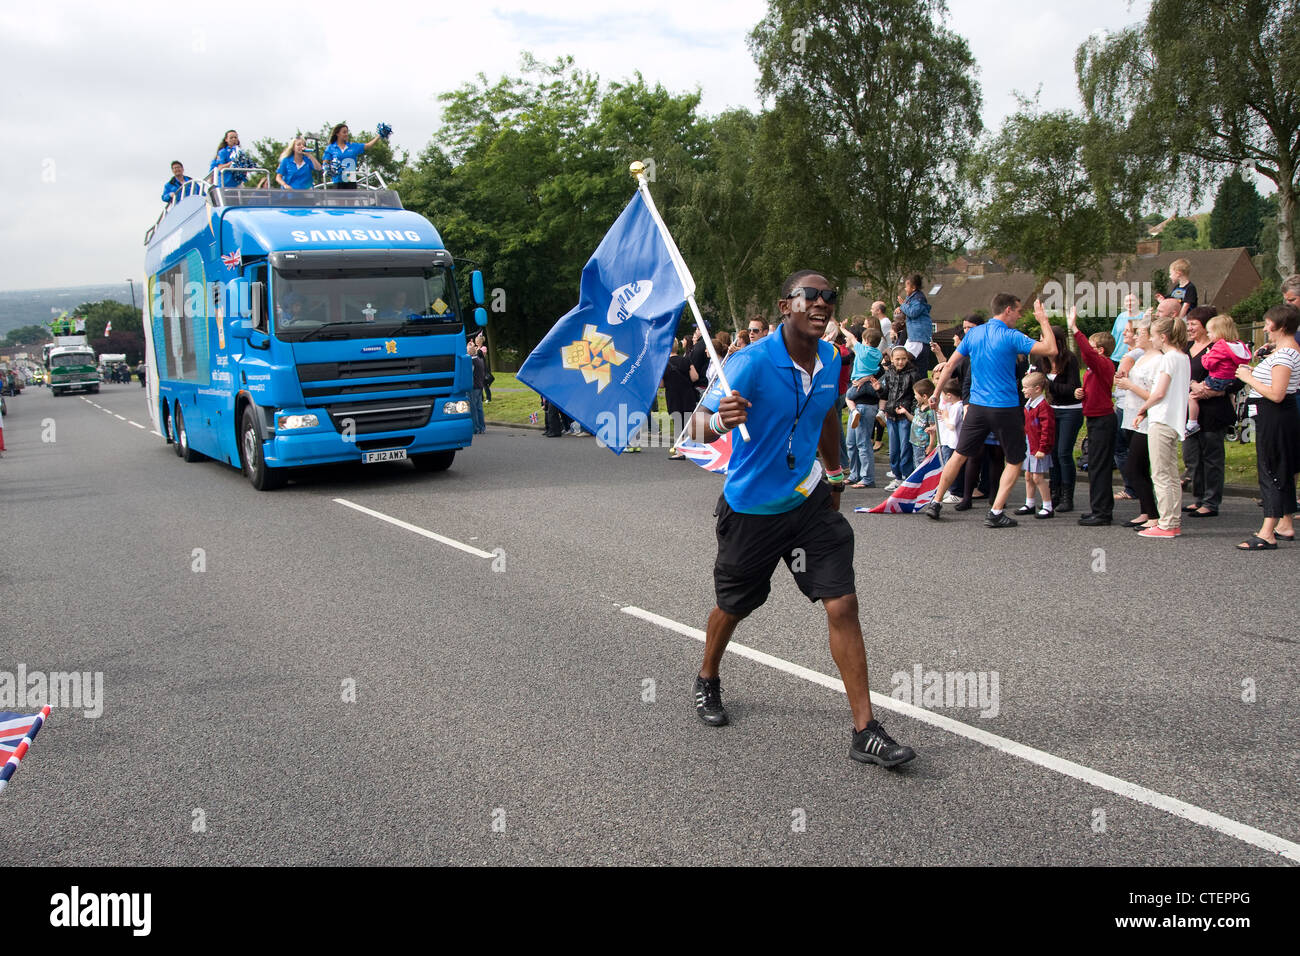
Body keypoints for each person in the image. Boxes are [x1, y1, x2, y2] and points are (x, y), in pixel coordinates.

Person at [692, 269, 915, 769]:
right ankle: (708, 676)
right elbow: (696, 426)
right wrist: (719, 420)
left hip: (808, 500)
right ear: (784, 304)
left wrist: (835, 474)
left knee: (842, 603)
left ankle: (865, 730)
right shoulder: (749, 363)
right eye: (809, 296)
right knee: (736, 604)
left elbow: (828, 416)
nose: (821, 303)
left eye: (829, 297)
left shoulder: (833, 356)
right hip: (751, 510)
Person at [923, 294, 1057, 526]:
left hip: (977, 407)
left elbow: (950, 364)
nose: (1019, 315)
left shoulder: (973, 334)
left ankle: (935, 502)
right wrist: (1043, 320)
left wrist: (935, 393)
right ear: (1007, 310)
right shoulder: (1011, 336)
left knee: (960, 454)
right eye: (1017, 311)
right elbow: (1051, 349)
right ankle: (995, 512)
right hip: (1005, 408)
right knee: (1015, 460)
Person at [1233, 305, 1300, 549]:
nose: (1266, 328)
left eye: (1268, 323)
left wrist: (1249, 378)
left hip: (1274, 414)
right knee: (1281, 468)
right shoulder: (1285, 351)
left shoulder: (1284, 355)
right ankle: (1285, 524)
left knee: (1271, 469)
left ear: (1280, 326)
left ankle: (1267, 533)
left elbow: (1278, 393)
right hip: (1276, 415)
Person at [1132, 314, 1191, 538]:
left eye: (1155, 336)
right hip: (1174, 419)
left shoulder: (1168, 359)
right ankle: (1172, 520)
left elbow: (1159, 392)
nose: (1153, 341)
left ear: (1163, 337)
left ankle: (1166, 524)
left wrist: (1142, 409)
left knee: (1161, 474)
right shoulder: (1183, 357)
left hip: (1162, 418)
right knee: (1171, 474)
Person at [1068, 310, 1118, 526]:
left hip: (1103, 420)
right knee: (1096, 466)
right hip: (1097, 418)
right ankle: (1098, 508)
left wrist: (1075, 329)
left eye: (1091, 345)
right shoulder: (1097, 367)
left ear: (1100, 349)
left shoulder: (1103, 363)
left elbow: (1087, 354)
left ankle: (1102, 512)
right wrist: (1082, 393)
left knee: (1099, 466)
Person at [1115, 315, 1161, 528]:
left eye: (1141, 333)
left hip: (1147, 419)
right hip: (1132, 415)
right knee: (1140, 468)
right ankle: (1146, 512)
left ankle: (1153, 514)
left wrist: (1129, 385)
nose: (1137, 336)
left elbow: (1155, 393)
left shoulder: (1158, 360)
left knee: (1134, 467)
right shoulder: (1141, 357)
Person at [1186, 313, 1251, 435]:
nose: (1209, 335)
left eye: (1210, 332)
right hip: (1228, 380)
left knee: (1192, 397)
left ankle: (1192, 423)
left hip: (1216, 382)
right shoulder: (1237, 346)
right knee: (1231, 397)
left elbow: (1208, 364)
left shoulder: (1219, 347)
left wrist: (1206, 355)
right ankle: (1232, 421)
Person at [1042, 325, 1083, 513]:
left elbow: (1073, 389)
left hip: (1070, 410)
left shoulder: (1070, 359)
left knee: (1064, 452)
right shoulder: (1041, 360)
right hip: (1052, 409)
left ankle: (1068, 496)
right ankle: (1055, 491)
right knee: (1053, 453)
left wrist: (1048, 384)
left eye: (1045, 338)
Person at [877, 346, 921, 490]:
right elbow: (886, 395)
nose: (900, 362)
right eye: (897, 359)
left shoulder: (913, 373)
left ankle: (906, 477)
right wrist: (879, 389)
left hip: (904, 416)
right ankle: (897, 477)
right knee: (894, 449)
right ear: (892, 359)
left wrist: (911, 412)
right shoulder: (889, 373)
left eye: (903, 359)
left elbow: (916, 396)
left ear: (907, 359)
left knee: (905, 448)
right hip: (891, 416)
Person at [1017, 372, 1055, 518]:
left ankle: (1047, 506)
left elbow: (1047, 429)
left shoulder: (1043, 407)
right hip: (1030, 444)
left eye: (1026, 388)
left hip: (1038, 446)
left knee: (1038, 477)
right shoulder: (1030, 404)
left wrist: (1043, 448)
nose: (1023, 390)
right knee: (1028, 475)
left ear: (1038, 389)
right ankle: (1030, 503)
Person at [663, 339, 697, 458]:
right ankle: (691, 448)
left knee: (678, 422)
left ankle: (680, 451)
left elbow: (661, 384)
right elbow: (695, 377)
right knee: (688, 422)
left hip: (673, 395)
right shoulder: (686, 360)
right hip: (687, 394)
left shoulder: (663, 364)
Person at [323, 122, 382, 189]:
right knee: (339, 199)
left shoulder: (352, 146)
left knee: (351, 199)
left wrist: (379, 135)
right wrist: (329, 169)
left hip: (351, 181)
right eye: (344, 132)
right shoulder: (330, 148)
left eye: (347, 132)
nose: (346, 134)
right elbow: (325, 163)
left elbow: (368, 145)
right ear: (337, 134)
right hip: (338, 181)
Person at [895, 274, 934, 373]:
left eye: (906, 286)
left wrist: (902, 305)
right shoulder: (911, 298)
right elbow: (907, 310)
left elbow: (913, 312)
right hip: (913, 334)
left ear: (913, 287)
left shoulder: (919, 299)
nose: (905, 288)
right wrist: (901, 309)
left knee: (904, 356)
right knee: (903, 355)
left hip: (918, 335)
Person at [897, 378, 937, 470]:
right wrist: (905, 412)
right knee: (916, 463)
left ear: (924, 396)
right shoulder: (918, 407)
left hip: (923, 444)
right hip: (915, 442)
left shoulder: (930, 412)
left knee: (920, 465)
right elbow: (914, 420)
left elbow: (932, 430)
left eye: (916, 394)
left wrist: (931, 445)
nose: (914, 396)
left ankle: (921, 483)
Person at [1109, 293, 1143, 364]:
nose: (1129, 303)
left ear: (1139, 302)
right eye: (1127, 301)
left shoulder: (1143, 317)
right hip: (1115, 357)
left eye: (1132, 300)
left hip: (1134, 357)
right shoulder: (1120, 316)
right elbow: (1113, 336)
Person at [467, 341, 486, 434]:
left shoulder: (471, 362)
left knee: (473, 408)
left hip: (473, 386)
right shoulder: (480, 360)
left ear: (470, 352)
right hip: (480, 386)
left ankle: (476, 428)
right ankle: (482, 427)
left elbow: (469, 375)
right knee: (479, 407)